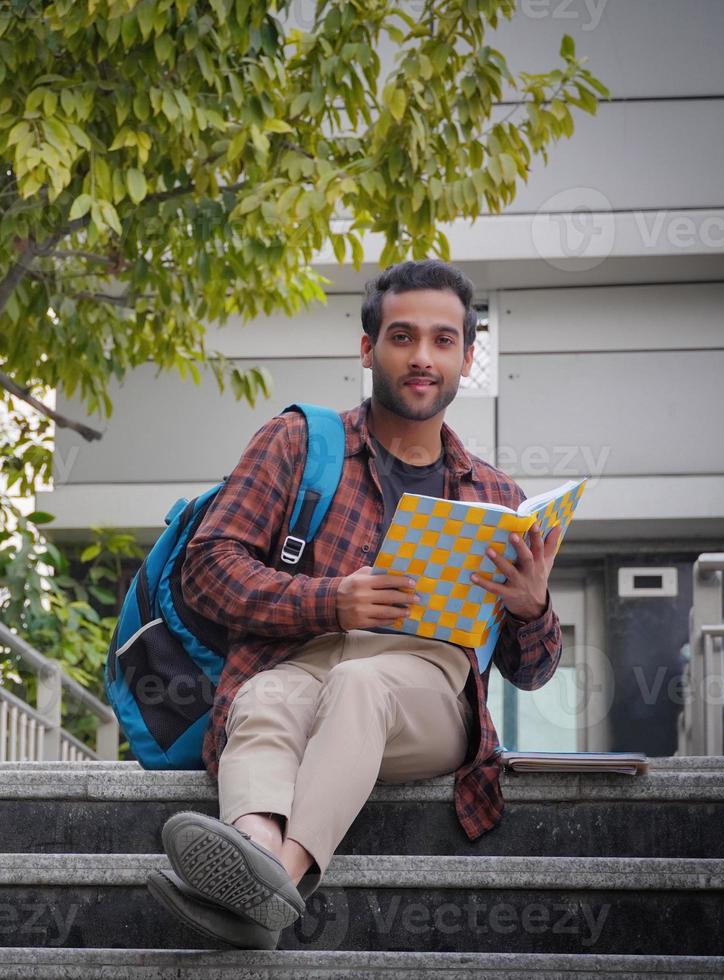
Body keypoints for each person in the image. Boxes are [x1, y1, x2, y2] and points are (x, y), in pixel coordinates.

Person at [145, 259, 564, 950]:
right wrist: (330, 601)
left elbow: (536, 670)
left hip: (426, 695)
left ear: (467, 355)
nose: (422, 357)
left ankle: (274, 879)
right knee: (266, 696)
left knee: (360, 682)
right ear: (368, 348)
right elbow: (207, 571)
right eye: (402, 337)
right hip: (301, 659)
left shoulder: (496, 497)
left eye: (442, 340)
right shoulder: (298, 443)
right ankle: (249, 859)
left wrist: (530, 607)